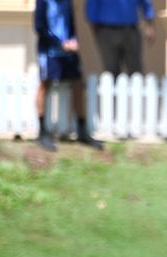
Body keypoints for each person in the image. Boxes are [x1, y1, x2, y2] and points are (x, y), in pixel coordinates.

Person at [35, 0, 102, 151]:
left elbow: (71, 25)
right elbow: (39, 27)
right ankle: (42, 131)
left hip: (69, 52)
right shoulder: (43, 2)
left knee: (78, 84)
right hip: (49, 52)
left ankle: (82, 130)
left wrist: (73, 41)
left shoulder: (68, 3)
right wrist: (60, 44)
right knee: (44, 84)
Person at [85, 0, 155, 76]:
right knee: (111, 71)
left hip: (130, 29)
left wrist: (149, 26)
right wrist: (96, 33)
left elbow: (146, 3)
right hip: (106, 30)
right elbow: (91, 7)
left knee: (135, 71)